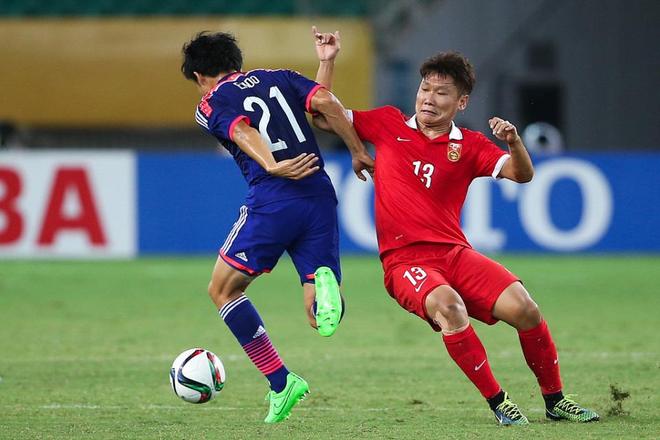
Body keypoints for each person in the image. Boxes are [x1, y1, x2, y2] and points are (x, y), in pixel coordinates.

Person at [311, 27, 599, 425]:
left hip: (455, 254)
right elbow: (319, 112)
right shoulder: (386, 124)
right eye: (425, 89)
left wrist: (514, 142)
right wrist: (327, 61)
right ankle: (499, 402)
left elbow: (522, 175)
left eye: (441, 92)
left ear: (461, 102)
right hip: (405, 262)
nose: (429, 98)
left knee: (526, 309)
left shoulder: (471, 145)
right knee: (449, 307)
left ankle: (555, 401)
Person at [181, 31, 374, 424]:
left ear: (200, 75)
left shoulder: (211, 101)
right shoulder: (279, 77)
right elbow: (325, 102)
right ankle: (324, 287)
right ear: (237, 61)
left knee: (222, 289)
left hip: (274, 198)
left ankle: (281, 382)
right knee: (317, 312)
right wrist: (357, 149)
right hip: (319, 192)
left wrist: (272, 164)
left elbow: (242, 130)